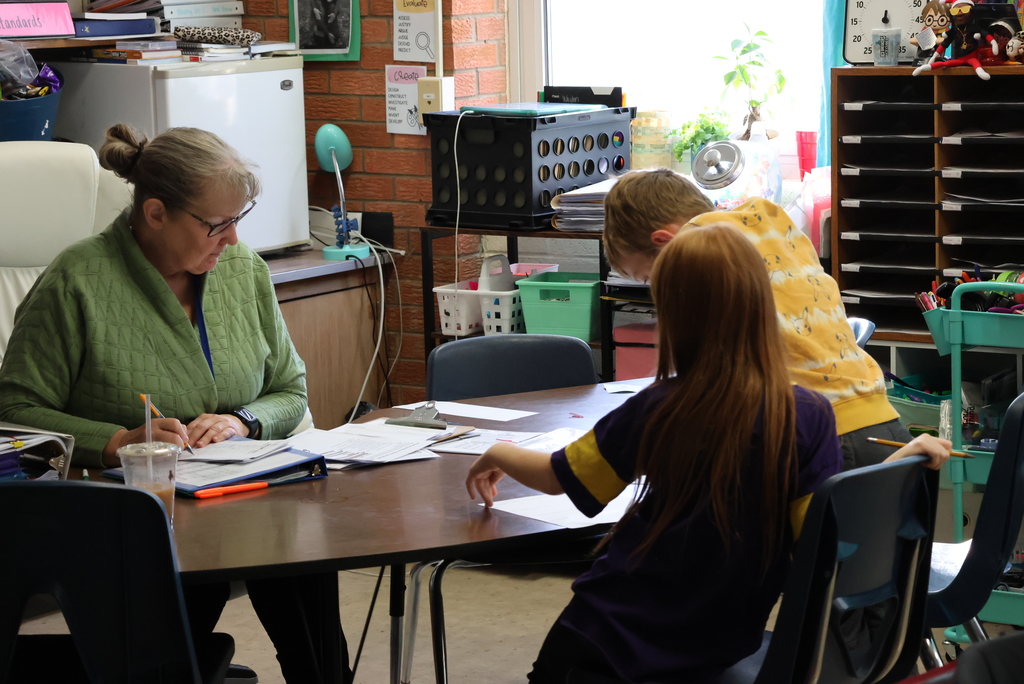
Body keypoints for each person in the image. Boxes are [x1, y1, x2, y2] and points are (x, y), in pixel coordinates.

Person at [465, 223, 952, 684]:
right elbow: (826, 534)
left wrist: (498, 451)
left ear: (673, 317)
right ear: (762, 304)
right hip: (710, 651)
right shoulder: (807, 416)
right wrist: (898, 465)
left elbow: (563, 478)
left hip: (606, 642)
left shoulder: (659, 406)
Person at [0, 124, 349, 684]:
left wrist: (243, 420)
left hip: (242, 492)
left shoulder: (242, 271)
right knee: (174, 625)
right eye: (217, 224)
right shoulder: (77, 281)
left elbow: (290, 391)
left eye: (240, 220)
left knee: (300, 562)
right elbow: (15, 411)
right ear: (156, 213)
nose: (232, 239)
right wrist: (115, 443)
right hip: (132, 511)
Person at [603, 167, 910, 470]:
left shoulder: (698, 254)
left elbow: (705, 382)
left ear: (664, 242)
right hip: (882, 419)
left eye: (646, 278)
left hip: (811, 436)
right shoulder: (772, 222)